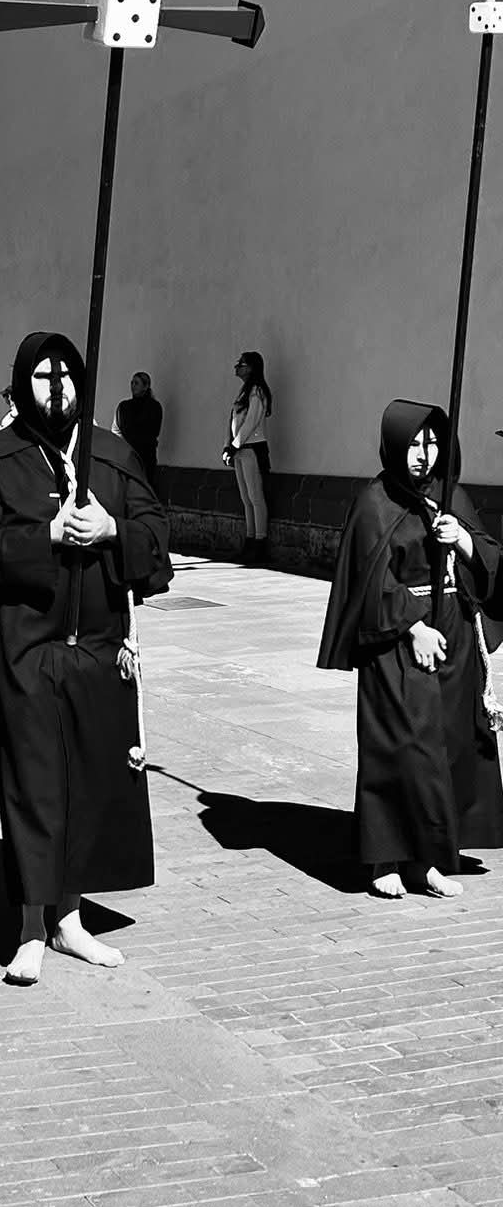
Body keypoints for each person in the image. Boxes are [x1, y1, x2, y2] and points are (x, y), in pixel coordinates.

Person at [0, 330, 171, 985]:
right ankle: (32, 926)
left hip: (99, 650)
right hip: (27, 649)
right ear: (21, 385)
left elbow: (155, 534)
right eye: (42, 376)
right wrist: (47, 535)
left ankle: (70, 921)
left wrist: (113, 530)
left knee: (88, 784)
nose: (56, 388)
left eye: (65, 375)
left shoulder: (112, 456)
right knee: (33, 784)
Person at [318, 400, 503, 900]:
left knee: (446, 750)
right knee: (400, 750)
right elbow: (367, 581)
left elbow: (491, 559)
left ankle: (428, 861)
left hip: (454, 641)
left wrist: (462, 540)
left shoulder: (452, 496)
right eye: (414, 444)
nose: (424, 454)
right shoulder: (374, 502)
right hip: (395, 643)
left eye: (433, 443)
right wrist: (412, 626)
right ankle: (385, 858)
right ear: (395, 445)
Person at [223, 350, 272, 563]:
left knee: (255, 497)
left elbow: (251, 422)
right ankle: (250, 539)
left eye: (241, 364)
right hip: (240, 449)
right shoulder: (243, 392)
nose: (237, 367)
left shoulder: (257, 391)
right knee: (246, 498)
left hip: (252, 449)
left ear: (251, 368)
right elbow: (232, 421)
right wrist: (227, 446)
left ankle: (260, 541)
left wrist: (234, 445)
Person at [116, 372, 163, 488]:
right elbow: (117, 429)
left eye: (136, 383)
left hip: (146, 455)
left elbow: (154, 431)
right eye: (132, 383)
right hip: (128, 454)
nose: (133, 386)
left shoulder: (154, 407)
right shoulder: (124, 407)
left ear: (145, 386)